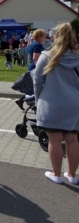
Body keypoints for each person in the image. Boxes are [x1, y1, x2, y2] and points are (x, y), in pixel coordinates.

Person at [33, 23, 79, 185]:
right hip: (74, 103)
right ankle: (72, 175)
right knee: (72, 139)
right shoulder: (77, 56)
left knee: (55, 140)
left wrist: (38, 95)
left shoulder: (47, 56)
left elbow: (38, 78)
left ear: (56, 37)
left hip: (52, 102)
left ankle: (56, 174)